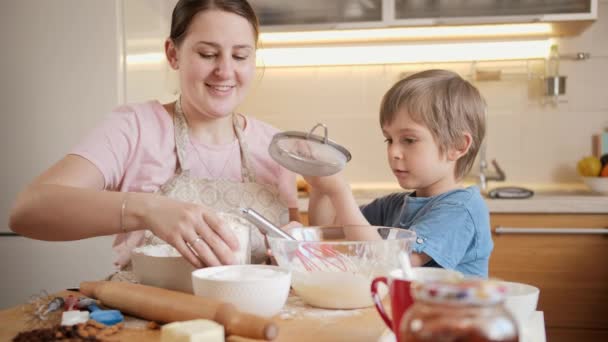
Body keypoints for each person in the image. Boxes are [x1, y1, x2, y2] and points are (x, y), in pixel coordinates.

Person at [9, 0, 299, 273]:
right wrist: (147, 210)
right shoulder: (135, 128)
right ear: (173, 54)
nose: (225, 70)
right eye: (207, 54)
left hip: (252, 324)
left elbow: (307, 264)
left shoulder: (275, 147)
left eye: (240, 56)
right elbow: (28, 211)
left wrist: (327, 195)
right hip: (149, 323)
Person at [306, 69, 492, 277]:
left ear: (457, 146)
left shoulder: (460, 210)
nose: (393, 152)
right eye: (389, 139)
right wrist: (321, 187)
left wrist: (341, 192)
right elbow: (328, 234)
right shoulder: (393, 206)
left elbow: (388, 263)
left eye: (409, 140)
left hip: (455, 310)